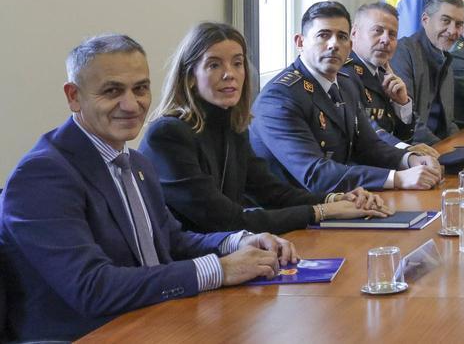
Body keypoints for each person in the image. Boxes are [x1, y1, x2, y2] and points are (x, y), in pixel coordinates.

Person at [0, 34, 298, 342]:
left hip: (154, 320)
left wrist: (237, 242)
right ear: (74, 96)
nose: (131, 105)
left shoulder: (136, 163)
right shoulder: (42, 175)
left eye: (140, 88)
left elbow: (171, 241)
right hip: (89, 334)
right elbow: (92, 288)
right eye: (112, 91)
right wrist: (219, 270)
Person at [141, 22, 394, 236]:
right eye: (214, 65)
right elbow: (225, 221)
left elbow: (273, 193)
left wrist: (339, 199)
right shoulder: (168, 136)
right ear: (189, 77)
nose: (229, 74)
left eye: (237, 63)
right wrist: (322, 212)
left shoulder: (232, 126)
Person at [249, 1, 442, 193]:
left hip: (339, 201)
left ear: (349, 46)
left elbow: (368, 146)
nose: (334, 44)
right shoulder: (278, 99)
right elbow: (314, 174)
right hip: (288, 214)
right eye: (323, 35)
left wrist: (409, 160)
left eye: (341, 37)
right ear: (300, 42)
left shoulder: (345, 83)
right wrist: (397, 178)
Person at [343, 2, 440, 158]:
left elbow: (402, 135)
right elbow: (366, 130)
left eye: (392, 34)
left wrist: (402, 105)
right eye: (378, 31)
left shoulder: (383, 73)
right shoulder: (343, 74)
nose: (386, 40)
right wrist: (405, 150)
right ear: (354, 33)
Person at [392, 0, 464, 144]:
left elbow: (448, 121)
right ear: (425, 20)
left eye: (459, 24)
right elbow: (406, 119)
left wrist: (460, 145)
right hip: (415, 150)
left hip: (439, 146)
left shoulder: (446, 56)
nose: (453, 31)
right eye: (445, 21)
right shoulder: (403, 52)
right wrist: (444, 149)